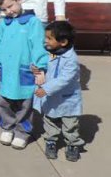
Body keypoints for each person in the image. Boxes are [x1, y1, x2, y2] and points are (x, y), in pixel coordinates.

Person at [0, 0, 49, 150]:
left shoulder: (32, 22)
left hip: (25, 71)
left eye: (11, 6)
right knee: (5, 101)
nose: (9, 11)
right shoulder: (3, 23)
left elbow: (38, 46)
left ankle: (22, 132)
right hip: (6, 71)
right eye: (4, 9)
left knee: (25, 104)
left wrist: (40, 68)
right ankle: (7, 127)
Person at [33, 21, 84, 162]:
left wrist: (46, 89)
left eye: (49, 38)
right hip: (51, 98)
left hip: (68, 99)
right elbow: (41, 66)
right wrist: (36, 70)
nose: (46, 41)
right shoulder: (48, 53)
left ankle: (72, 144)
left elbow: (65, 79)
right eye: (46, 37)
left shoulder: (71, 59)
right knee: (50, 120)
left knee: (70, 123)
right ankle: (51, 141)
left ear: (63, 42)